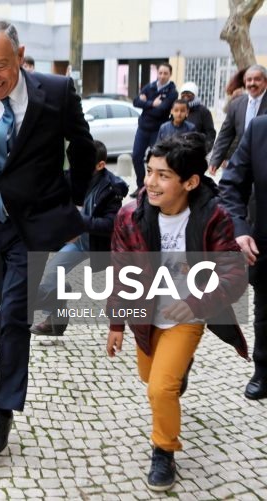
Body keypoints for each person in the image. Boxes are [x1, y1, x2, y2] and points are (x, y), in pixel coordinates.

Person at [0, 19, 95, 458]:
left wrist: (71, 199)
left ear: (20, 54)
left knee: (11, 315)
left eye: (1, 66)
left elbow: (84, 149)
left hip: (37, 226)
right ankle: (31, 322)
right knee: (10, 313)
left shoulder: (56, 91)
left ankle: (2, 412)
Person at [106, 133, 248, 491]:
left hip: (188, 316)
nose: (150, 182)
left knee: (159, 389)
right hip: (145, 316)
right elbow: (121, 271)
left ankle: (164, 450)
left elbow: (234, 275)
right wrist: (116, 323)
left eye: (163, 175)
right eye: (149, 172)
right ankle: (174, 375)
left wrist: (192, 304)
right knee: (150, 377)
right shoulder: (130, 216)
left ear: (190, 182)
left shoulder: (213, 217)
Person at [31, 140, 128, 336]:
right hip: (77, 243)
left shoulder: (112, 189)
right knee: (52, 275)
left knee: (121, 289)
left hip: (103, 246)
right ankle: (55, 320)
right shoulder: (70, 178)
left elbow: (110, 225)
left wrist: (77, 221)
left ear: (100, 165)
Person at [219, 114, 267, 400]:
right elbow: (231, 186)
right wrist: (239, 228)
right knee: (265, 311)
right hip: (265, 242)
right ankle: (264, 369)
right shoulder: (259, 129)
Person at [209, 64, 267, 175]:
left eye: (257, 79)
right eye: (249, 80)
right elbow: (225, 134)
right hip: (241, 160)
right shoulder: (236, 104)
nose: (252, 83)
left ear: (265, 82)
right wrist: (215, 160)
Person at [130, 63, 177, 197]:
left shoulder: (172, 92)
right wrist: (152, 103)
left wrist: (145, 104)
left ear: (170, 75)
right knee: (136, 157)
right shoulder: (150, 86)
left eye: (165, 73)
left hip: (158, 130)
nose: (162, 76)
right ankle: (141, 186)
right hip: (143, 128)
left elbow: (162, 109)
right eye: (160, 73)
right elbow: (135, 102)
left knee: (157, 160)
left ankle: (155, 186)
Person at [178, 81, 215, 153]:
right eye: (183, 95)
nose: (185, 98)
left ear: (195, 95)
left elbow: (210, 133)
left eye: (188, 95)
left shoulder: (203, 111)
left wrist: (205, 150)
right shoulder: (178, 109)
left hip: (196, 151)